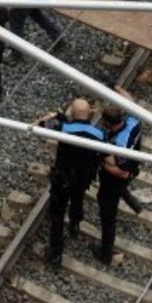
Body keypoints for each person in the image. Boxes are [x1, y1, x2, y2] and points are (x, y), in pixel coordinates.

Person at [37, 98, 105, 267]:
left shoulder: (64, 128)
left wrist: (53, 116)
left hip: (62, 178)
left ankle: (56, 253)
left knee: (57, 214)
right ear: (89, 113)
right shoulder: (99, 134)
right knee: (77, 201)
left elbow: (40, 125)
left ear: (72, 113)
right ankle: (75, 224)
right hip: (82, 179)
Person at [95, 103, 141, 265]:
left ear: (108, 123)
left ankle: (106, 253)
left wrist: (101, 162)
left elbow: (122, 173)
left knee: (108, 215)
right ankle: (134, 203)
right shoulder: (133, 122)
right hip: (134, 167)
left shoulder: (117, 145)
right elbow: (130, 101)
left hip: (114, 182)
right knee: (122, 188)